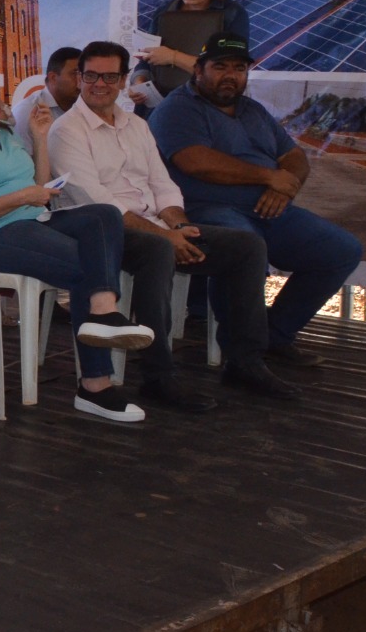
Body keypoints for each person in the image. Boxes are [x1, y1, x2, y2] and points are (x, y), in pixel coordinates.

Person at [48, 41, 300, 409]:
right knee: (158, 249)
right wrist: (167, 236)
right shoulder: (66, 130)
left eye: (110, 77)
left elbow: (163, 184)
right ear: (79, 79)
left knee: (246, 246)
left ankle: (245, 361)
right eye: (91, 76)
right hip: (101, 233)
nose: (99, 84)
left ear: (123, 80)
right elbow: (99, 202)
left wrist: (178, 225)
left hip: (155, 224)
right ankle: (159, 376)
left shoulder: (136, 125)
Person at [0, 54, 156, 423]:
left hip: (32, 220)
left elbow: (39, 188)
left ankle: (103, 312)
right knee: (86, 264)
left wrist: (40, 137)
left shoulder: (2, 132)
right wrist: (22, 197)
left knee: (103, 215)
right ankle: (95, 385)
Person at [149, 33, 361, 368]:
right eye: (220, 67)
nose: (231, 75)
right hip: (206, 211)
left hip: (270, 209)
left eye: (239, 68)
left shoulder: (253, 110)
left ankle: (274, 335)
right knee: (245, 250)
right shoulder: (177, 109)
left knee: (341, 251)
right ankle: (241, 354)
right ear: (199, 70)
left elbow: (294, 157)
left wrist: (281, 188)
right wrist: (267, 177)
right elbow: (195, 161)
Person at [11, 47, 80, 155]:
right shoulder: (27, 112)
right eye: (75, 74)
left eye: (85, 74)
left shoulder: (87, 107)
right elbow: (23, 163)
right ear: (53, 78)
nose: (81, 81)